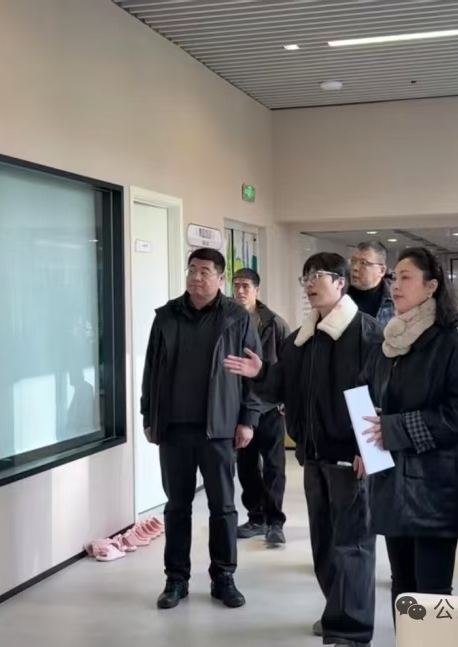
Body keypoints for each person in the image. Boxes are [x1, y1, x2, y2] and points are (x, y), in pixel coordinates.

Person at [224, 253, 383, 647]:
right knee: (324, 546)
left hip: (352, 457)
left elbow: (381, 394)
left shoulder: (366, 333)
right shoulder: (302, 337)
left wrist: (370, 448)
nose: (309, 283)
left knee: (353, 546)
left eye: (318, 276)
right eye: (306, 276)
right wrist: (260, 373)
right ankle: (337, 613)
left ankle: (351, 631)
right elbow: (283, 385)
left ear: (341, 283)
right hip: (313, 455)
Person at [358, 247, 458, 627]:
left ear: (431, 287)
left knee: (431, 591)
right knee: (402, 586)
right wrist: (366, 441)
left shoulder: (454, 347)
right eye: (394, 278)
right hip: (393, 482)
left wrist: (397, 429)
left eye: (406, 277)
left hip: (437, 489)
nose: (395, 285)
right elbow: (368, 394)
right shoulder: (389, 344)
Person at [140, 248, 264, 611]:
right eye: (192, 270)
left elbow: (253, 372)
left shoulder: (237, 317)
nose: (196, 277)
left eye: (205, 271)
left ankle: (223, 576)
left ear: (220, 279)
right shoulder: (166, 316)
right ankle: (176, 579)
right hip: (174, 428)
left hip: (220, 428)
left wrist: (248, 419)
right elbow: (151, 369)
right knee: (177, 507)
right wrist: (148, 416)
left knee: (222, 507)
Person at [231, 268, 292, 546]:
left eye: (246, 286)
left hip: (269, 407)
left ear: (257, 289)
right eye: (236, 285)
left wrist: (285, 399)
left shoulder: (274, 323)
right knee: (246, 466)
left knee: (274, 466)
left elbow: (287, 365)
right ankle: (256, 518)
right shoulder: (229, 319)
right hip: (240, 407)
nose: (240, 291)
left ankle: (275, 522)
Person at [347, 241, 396, 326]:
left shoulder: (394, 299)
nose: (355, 267)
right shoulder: (339, 293)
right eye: (353, 261)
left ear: (382, 270)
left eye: (363, 263)